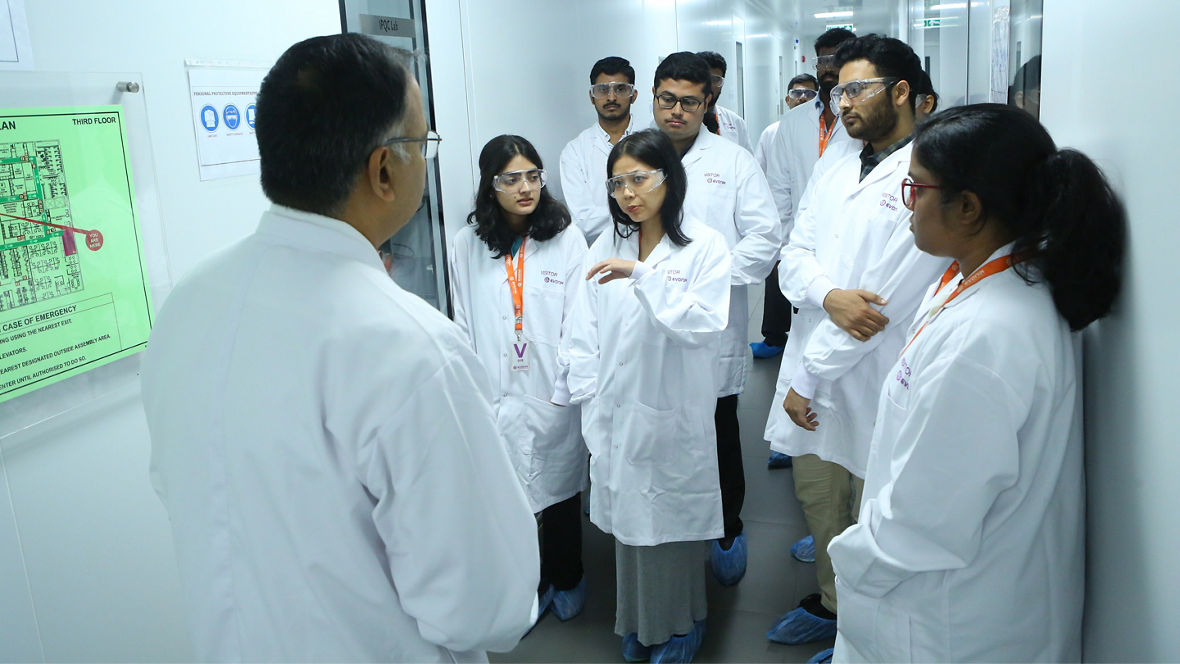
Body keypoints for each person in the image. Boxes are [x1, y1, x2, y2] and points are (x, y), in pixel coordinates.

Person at [140, 34, 539, 662]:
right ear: (384, 170)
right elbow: (484, 606)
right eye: (422, 144)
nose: (425, 161)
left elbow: (185, 490)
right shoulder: (410, 348)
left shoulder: (187, 306)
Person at [829, 103, 1126, 662]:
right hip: (967, 596)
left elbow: (923, 524)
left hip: (948, 621)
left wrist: (850, 563)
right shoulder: (991, 283)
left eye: (915, 188)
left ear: (967, 208)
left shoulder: (986, 336)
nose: (907, 206)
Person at [763, 35, 948, 659]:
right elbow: (793, 254)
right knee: (820, 503)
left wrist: (818, 359)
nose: (842, 103)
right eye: (837, 90)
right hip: (816, 358)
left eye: (857, 89)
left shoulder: (926, 171)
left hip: (875, 373)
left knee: (876, 515)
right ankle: (833, 607)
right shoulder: (838, 159)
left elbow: (883, 306)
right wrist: (829, 294)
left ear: (902, 93)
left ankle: (867, 637)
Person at [558, 128, 732, 663]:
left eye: (639, 179)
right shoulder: (605, 243)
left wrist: (644, 277)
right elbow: (580, 329)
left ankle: (681, 626)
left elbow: (703, 325)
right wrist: (590, 399)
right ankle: (639, 621)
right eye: (617, 183)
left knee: (671, 534)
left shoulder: (704, 245)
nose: (628, 194)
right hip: (615, 413)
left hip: (670, 414)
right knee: (632, 537)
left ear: (669, 179)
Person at [651, 51, 781, 586]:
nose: (676, 111)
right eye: (667, 99)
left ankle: (727, 525)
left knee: (717, 425)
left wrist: (705, 278)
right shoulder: (633, 157)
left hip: (711, 321)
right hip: (648, 318)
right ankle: (668, 519)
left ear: (708, 102)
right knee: (658, 424)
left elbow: (765, 238)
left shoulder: (733, 161)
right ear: (654, 98)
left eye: (689, 101)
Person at [449, 135, 590, 623]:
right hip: (495, 388)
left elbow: (578, 318)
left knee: (561, 489)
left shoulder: (566, 237)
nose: (525, 187)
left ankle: (568, 575)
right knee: (508, 498)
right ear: (492, 186)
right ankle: (526, 586)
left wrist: (565, 386)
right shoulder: (467, 245)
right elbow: (463, 320)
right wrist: (473, 389)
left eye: (533, 175)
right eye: (512, 179)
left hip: (552, 387)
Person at [755, 29, 861, 365]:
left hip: (849, 241)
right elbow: (780, 188)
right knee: (807, 327)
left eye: (836, 58)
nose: (828, 67)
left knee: (845, 331)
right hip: (801, 240)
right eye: (823, 60)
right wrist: (786, 245)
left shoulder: (861, 118)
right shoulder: (794, 120)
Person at [561, 56, 644, 245]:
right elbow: (583, 222)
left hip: (653, 246)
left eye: (620, 89)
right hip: (602, 252)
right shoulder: (574, 152)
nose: (611, 97)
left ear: (634, 94)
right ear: (592, 96)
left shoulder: (653, 139)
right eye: (602, 90)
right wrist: (641, 213)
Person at [752, 74, 819, 172]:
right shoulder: (770, 133)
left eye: (810, 94)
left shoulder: (823, 131)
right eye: (797, 93)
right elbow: (759, 170)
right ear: (787, 100)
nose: (803, 97)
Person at [697, 50, 752, 151]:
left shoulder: (736, 122)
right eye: (703, 78)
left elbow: (748, 161)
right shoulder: (680, 120)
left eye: (715, 80)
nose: (709, 86)